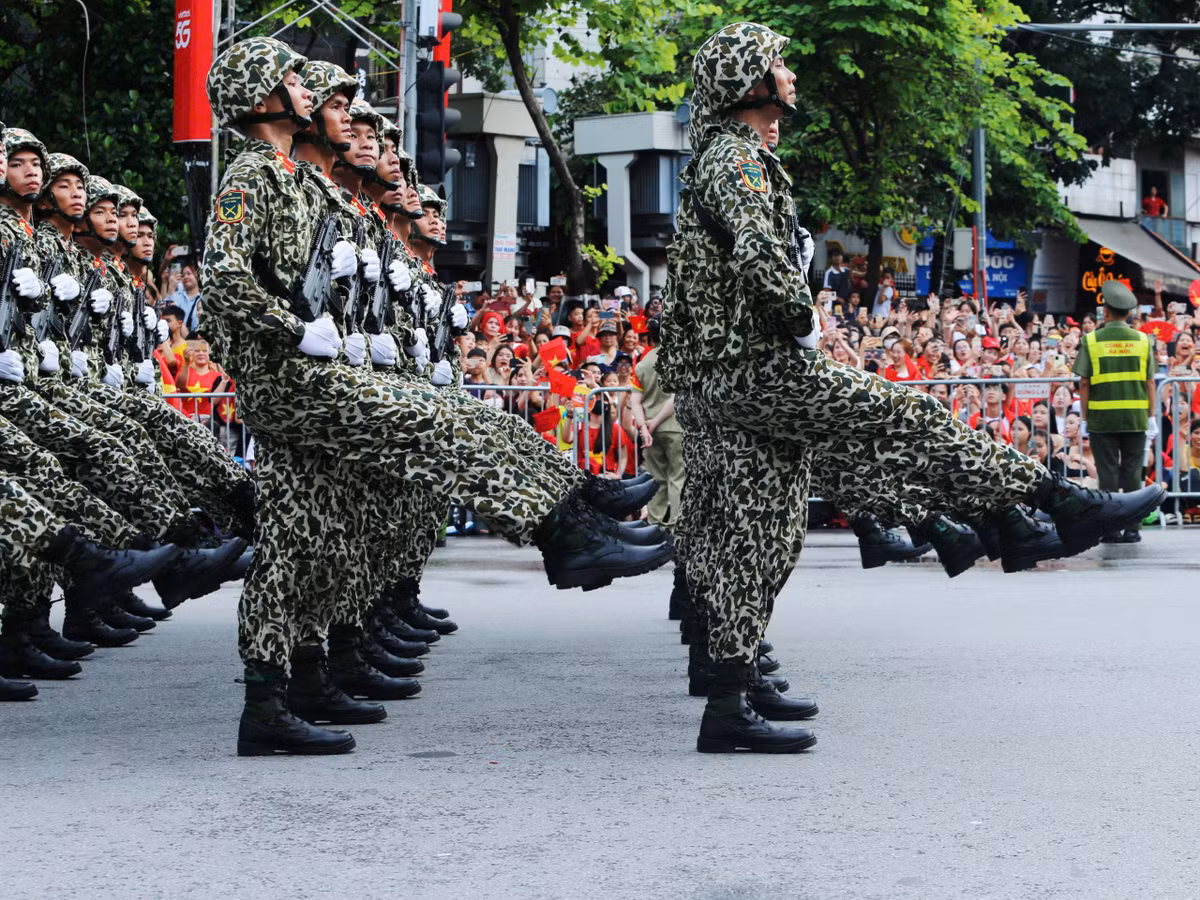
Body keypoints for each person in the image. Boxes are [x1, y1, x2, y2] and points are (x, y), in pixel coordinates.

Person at [659, 22, 1163, 756]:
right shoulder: (736, 160)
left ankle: (730, 694)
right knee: (906, 419)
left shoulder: (722, 157)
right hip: (757, 372)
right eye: (779, 64)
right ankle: (1056, 501)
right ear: (748, 82)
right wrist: (801, 320)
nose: (791, 74)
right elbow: (763, 260)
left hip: (730, 377)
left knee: (760, 529)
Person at [203, 37, 668, 757]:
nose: (311, 96)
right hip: (294, 381)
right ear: (262, 95)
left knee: (311, 538)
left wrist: (355, 334)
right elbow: (224, 281)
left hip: (327, 373)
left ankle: (291, 688)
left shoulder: (300, 183)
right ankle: (562, 532)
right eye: (295, 81)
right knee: (437, 426)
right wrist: (298, 332)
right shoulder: (250, 177)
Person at [1073, 280, 1156, 543]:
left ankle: (1110, 528)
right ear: (1129, 313)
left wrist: (1084, 418)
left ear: (1106, 311)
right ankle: (1133, 528)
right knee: (1133, 472)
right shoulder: (1143, 340)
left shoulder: (1091, 340)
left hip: (1102, 417)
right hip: (1135, 416)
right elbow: (1150, 382)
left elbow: (1084, 383)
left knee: (1107, 473)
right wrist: (1152, 416)